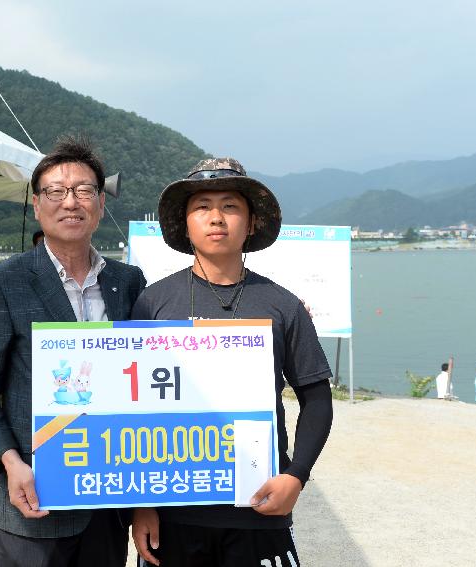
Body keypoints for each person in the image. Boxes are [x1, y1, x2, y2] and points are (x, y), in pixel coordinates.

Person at [130, 158, 333, 567]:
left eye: (231, 206)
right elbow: (133, 409)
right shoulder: (153, 303)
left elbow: (317, 399)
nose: (216, 217)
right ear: (185, 224)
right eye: (202, 206)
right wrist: (141, 506)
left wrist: (296, 475)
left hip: (259, 510)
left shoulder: (282, 305)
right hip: (173, 510)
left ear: (252, 223)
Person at [0, 136, 146, 567]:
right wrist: (9, 462)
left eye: (83, 191)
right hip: (31, 498)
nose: (70, 202)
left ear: (100, 203)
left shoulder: (128, 280)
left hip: (107, 500)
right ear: (37, 205)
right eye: (56, 192)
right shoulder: (4, 281)